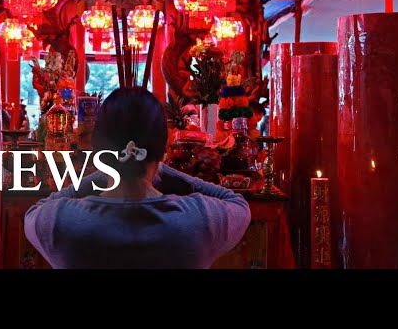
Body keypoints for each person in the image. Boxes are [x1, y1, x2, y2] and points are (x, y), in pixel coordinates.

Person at [24, 86, 251, 269]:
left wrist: (103, 173)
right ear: (162, 150)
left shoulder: (60, 221)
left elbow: (36, 210)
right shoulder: (199, 219)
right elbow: (237, 203)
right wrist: (167, 169)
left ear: (98, 148)